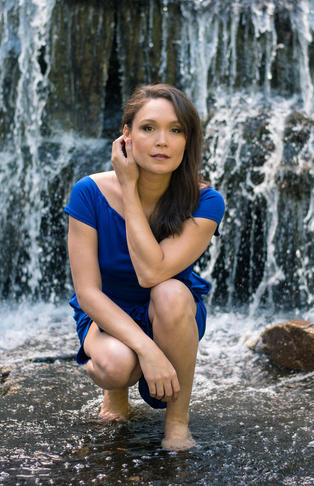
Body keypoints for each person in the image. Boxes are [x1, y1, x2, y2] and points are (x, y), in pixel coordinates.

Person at [64, 84, 225, 451]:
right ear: (126, 136)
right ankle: (115, 390)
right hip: (106, 312)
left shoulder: (206, 201)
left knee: (168, 290)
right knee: (119, 366)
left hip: (169, 312)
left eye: (175, 130)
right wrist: (146, 351)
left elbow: (152, 273)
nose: (162, 141)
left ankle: (177, 423)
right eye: (148, 128)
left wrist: (130, 188)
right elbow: (87, 291)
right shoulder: (88, 193)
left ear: (188, 141)